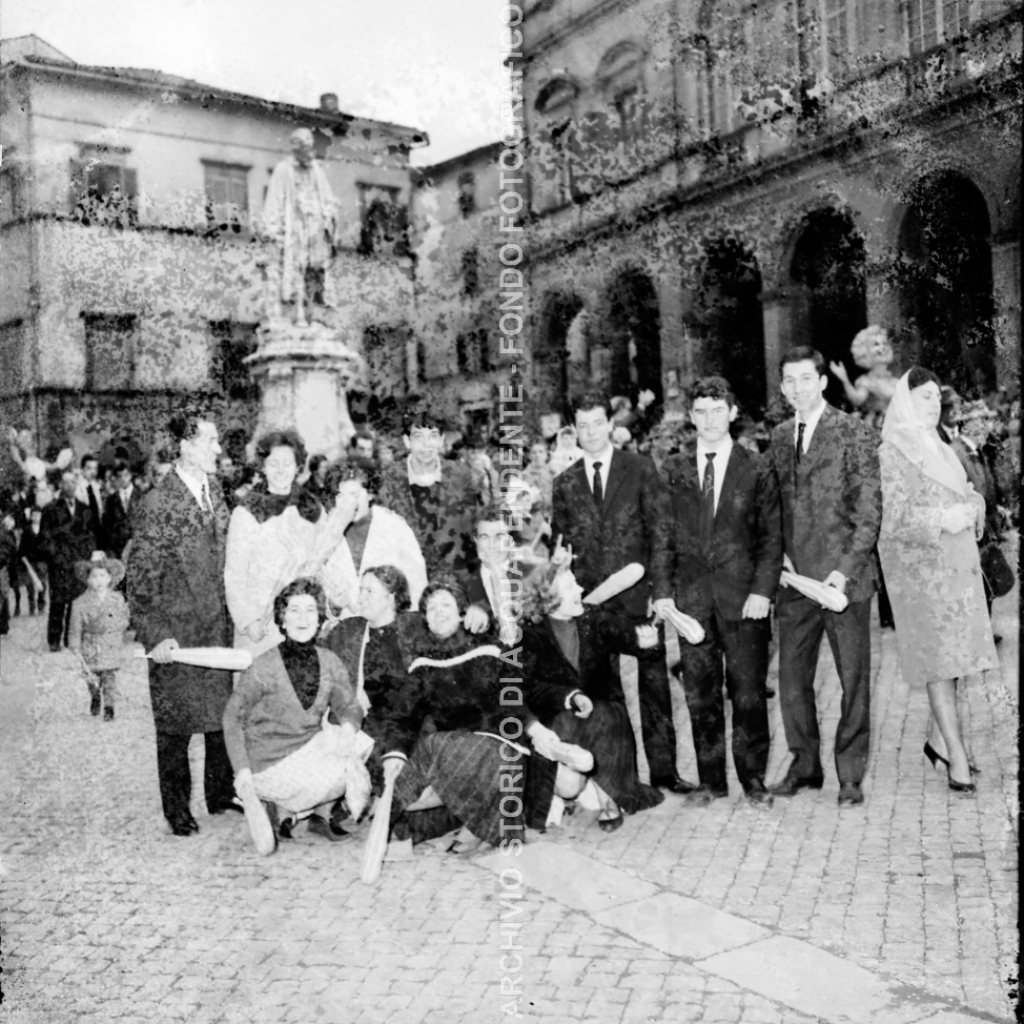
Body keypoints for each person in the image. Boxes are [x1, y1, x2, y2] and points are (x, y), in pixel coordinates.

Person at [383, 577, 585, 855]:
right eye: (430, 608)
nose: (439, 611)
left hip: (497, 749)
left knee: (434, 747)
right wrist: (394, 753)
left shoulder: (489, 649)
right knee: (413, 791)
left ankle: (470, 823)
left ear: (462, 612)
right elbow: (404, 716)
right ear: (425, 620)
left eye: (446, 604)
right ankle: (457, 822)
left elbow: (512, 700)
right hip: (452, 756)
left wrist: (537, 731)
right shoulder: (422, 664)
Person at [652, 376, 782, 807]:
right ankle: (711, 781)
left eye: (717, 410)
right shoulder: (675, 470)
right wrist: (664, 592)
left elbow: (770, 538)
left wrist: (763, 591)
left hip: (745, 600)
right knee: (700, 693)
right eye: (700, 411)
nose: (709, 419)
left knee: (747, 693)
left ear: (732, 413)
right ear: (691, 418)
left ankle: (753, 780)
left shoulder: (757, 466)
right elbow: (662, 536)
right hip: (692, 602)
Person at [551, 392, 683, 794]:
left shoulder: (641, 468)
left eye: (597, 423)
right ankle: (617, 778)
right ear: (575, 430)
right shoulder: (565, 482)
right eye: (583, 426)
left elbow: (661, 534)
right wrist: (563, 573)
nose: (591, 433)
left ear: (610, 424)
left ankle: (664, 773)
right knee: (603, 691)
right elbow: (561, 547)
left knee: (654, 683)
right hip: (590, 606)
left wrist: (660, 591)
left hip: (639, 598)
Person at [766, 347, 881, 807]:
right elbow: (771, 507)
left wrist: (842, 571)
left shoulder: (853, 433)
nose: (797, 388)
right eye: (788, 381)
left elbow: (869, 512)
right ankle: (804, 765)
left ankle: (850, 774)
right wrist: (779, 558)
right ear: (782, 387)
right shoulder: (776, 437)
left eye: (804, 379)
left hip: (843, 584)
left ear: (822, 382)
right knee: (792, 682)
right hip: (795, 583)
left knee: (854, 681)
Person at [877, 369, 997, 794]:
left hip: (956, 568)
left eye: (935, 399)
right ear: (906, 402)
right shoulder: (893, 451)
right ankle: (957, 758)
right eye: (923, 398)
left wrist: (973, 505)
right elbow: (891, 518)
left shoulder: (940, 445)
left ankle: (937, 742)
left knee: (956, 662)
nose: (932, 406)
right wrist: (942, 519)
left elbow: (965, 488)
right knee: (939, 666)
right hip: (921, 575)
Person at [127, 413, 237, 837]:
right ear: (186, 447)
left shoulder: (215, 492)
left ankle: (219, 791)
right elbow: (140, 580)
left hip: (217, 627)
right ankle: (176, 808)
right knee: (175, 725)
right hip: (178, 632)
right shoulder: (157, 504)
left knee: (218, 714)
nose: (217, 448)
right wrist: (156, 635)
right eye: (210, 441)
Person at [223, 577, 367, 851]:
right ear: (282, 619)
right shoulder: (263, 666)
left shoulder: (329, 661)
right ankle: (278, 804)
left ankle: (319, 816)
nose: (303, 618)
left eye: (310, 610)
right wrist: (241, 772)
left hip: (305, 750)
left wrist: (349, 726)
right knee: (337, 767)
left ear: (320, 618)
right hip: (268, 761)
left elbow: (348, 705)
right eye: (294, 610)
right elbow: (232, 717)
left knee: (357, 744)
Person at [521, 559, 665, 830]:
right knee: (566, 740)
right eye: (570, 585)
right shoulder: (529, 633)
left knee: (604, 717)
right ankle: (569, 789)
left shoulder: (593, 617)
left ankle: (607, 799)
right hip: (558, 712)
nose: (580, 589)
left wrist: (648, 642)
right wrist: (570, 696)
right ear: (548, 597)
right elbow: (529, 688)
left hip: (603, 705)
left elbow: (630, 637)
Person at [224, 430, 328, 658]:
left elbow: (326, 561)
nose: (281, 470)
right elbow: (234, 574)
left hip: (304, 621)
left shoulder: (312, 508)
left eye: (287, 463)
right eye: (273, 463)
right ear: (262, 466)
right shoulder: (246, 511)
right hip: (261, 622)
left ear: (298, 466)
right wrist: (247, 619)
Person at [320, 565, 418, 805]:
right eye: (360, 590)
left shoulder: (415, 628)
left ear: (392, 597)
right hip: (365, 720)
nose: (360, 597)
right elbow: (316, 651)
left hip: (408, 720)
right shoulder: (349, 629)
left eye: (369, 591)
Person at [319, 458, 427, 620]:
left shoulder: (395, 527)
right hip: (342, 631)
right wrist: (332, 606)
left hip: (391, 627)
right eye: (341, 496)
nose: (349, 503)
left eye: (355, 495)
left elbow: (417, 584)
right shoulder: (324, 532)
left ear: (370, 493)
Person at [376, 410, 478, 577]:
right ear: (407, 441)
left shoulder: (460, 475)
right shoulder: (389, 479)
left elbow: (470, 528)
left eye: (433, 435)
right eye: (418, 437)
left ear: (442, 440)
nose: (426, 444)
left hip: (454, 577)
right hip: (408, 578)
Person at [261, 127, 339, 326]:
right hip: (293, 227)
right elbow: (274, 200)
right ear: (296, 149)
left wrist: (329, 216)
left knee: (315, 270)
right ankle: (297, 314)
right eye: (304, 148)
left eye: (309, 148)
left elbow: (328, 199)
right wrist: (272, 229)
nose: (308, 153)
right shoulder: (283, 169)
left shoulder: (316, 170)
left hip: (315, 227)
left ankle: (314, 314)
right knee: (295, 268)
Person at [39, 468, 97, 652]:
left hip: (78, 564)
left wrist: (85, 558)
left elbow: (90, 537)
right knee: (58, 602)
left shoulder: (84, 509)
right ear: (60, 485)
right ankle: (54, 640)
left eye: (73, 482)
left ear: (76, 484)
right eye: (65, 482)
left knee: (75, 602)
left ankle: (70, 639)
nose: (69, 486)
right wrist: (57, 557)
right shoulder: (50, 509)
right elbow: (45, 538)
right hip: (60, 564)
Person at [68, 551, 130, 721]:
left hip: (110, 642)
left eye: (103, 576)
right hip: (91, 644)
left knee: (109, 677)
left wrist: (119, 628)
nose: (99, 580)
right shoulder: (80, 603)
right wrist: (75, 645)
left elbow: (125, 618)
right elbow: (75, 627)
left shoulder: (117, 599)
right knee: (92, 677)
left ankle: (109, 707)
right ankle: (95, 695)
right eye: (94, 576)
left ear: (110, 578)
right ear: (88, 579)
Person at [101, 459, 142, 560]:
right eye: (120, 476)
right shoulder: (111, 500)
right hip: (117, 550)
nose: (124, 479)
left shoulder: (141, 496)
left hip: (138, 548)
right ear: (116, 477)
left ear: (131, 475)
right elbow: (107, 527)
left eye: (126, 475)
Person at [76, 454, 105, 536]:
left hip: (97, 530)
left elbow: (100, 510)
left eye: (95, 468)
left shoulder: (98, 488)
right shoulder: (78, 489)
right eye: (89, 468)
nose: (92, 472)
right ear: (83, 470)